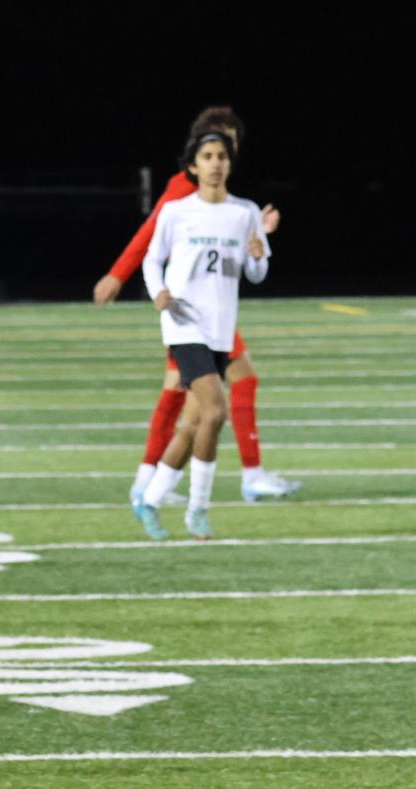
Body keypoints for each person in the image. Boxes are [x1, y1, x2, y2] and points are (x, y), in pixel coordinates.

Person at [96, 107, 297, 506]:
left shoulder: (228, 202)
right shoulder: (182, 191)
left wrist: (259, 242)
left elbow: (243, 257)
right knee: (191, 397)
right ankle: (190, 486)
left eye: (229, 143)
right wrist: (118, 275)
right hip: (189, 314)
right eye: (216, 143)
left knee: (190, 398)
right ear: (196, 153)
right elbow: (149, 236)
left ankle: (153, 483)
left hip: (212, 312)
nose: (223, 153)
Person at [131, 129, 271, 540]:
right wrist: (158, 292)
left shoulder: (244, 212)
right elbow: (152, 259)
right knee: (215, 413)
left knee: (193, 427)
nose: (215, 163)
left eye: (221, 156)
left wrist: (258, 256)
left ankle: (150, 500)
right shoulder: (177, 211)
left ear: (229, 163)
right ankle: (198, 509)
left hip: (219, 329)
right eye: (207, 156)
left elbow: (256, 274)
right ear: (193, 166)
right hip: (183, 323)